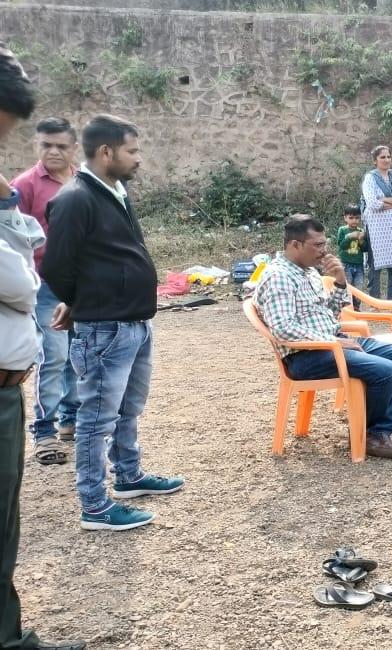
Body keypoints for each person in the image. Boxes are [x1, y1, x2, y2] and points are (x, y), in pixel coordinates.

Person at [41, 115, 184, 532]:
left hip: (132, 323)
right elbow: (56, 265)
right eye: (132, 151)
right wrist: (80, 302)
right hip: (105, 326)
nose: (138, 159)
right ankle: (95, 506)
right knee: (96, 418)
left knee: (127, 408)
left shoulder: (114, 191)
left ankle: (128, 476)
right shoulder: (75, 199)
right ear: (107, 152)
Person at [0, 43, 86, 649]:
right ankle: (51, 431)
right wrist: (29, 274)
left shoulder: (70, 185)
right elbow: (20, 273)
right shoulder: (23, 187)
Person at [254, 215, 392, 459]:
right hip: (306, 355)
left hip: (334, 343)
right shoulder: (279, 276)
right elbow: (282, 328)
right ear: (295, 245)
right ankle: (370, 435)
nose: (323, 251)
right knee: (388, 371)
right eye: (317, 245)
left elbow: (328, 314)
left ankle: (376, 432)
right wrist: (335, 342)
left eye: (324, 244)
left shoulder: (308, 272)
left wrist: (340, 282)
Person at [11, 117, 79, 465]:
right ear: (36, 146)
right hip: (44, 286)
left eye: (61, 146)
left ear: (74, 149)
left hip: (81, 286)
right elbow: (9, 238)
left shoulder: (84, 181)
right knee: (52, 356)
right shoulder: (24, 186)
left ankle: (70, 421)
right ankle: (45, 432)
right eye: (46, 145)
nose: (53, 151)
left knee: (77, 356)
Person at [361, 145, 392, 300]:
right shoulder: (370, 178)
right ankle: (375, 301)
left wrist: (383, 199)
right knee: (375, 266)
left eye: (388, 157)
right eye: (382, 157)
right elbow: (372, 204)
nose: (386, 160)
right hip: (376, 228)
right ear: (375, 160)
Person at [332, 204, 365, 305]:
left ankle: (356, 307)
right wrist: (350, 237)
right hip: (346, 264)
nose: (354, 220)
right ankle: (347, 307)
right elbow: (342, 245)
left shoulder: (361, 231)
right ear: (345, 218)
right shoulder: (342, 230)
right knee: (347, 286)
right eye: (351, 218)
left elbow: (364, 249)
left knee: (358, 288)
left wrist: (361, 240)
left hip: (359, 264)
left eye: (357, 218)